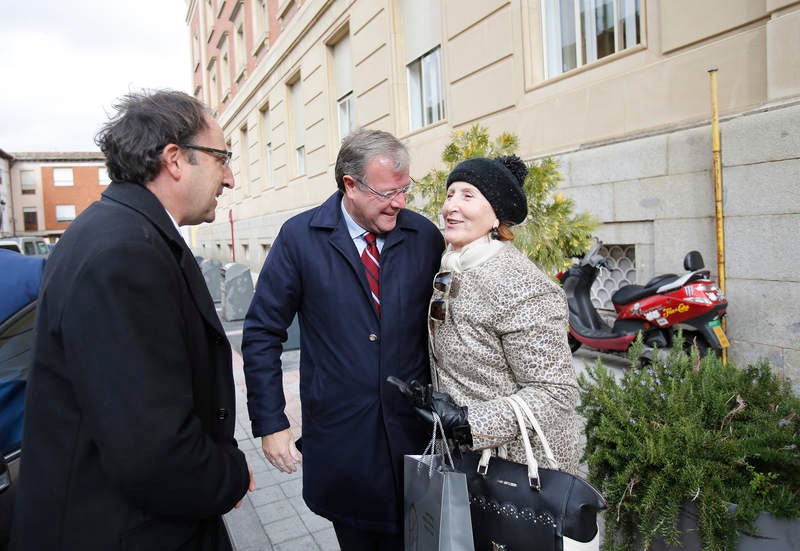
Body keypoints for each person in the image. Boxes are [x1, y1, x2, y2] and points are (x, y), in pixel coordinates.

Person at [11, 90, 253, 550]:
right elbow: (154, 451)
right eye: (222, 158)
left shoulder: (121, 232)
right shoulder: (124, 253)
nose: (230, 179)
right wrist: (230, 476)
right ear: (175, 159)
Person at [242, 129, 444, 550]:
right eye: (388, 192)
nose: (400, 203)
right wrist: (271, 422)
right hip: (344, 443)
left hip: (417, 441)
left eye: (405, 189)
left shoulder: (424, 237)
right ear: (349, 185)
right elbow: (262, 332)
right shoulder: (300, 238)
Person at [417, 155, 581, 474]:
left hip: (521, 471)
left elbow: (556, 392)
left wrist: (468, 423)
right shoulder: (453, 267)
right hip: (469, 460)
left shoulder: (520, 284)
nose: (451, 206)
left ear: (496, 216)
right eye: (450, 194)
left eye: (468, 195)